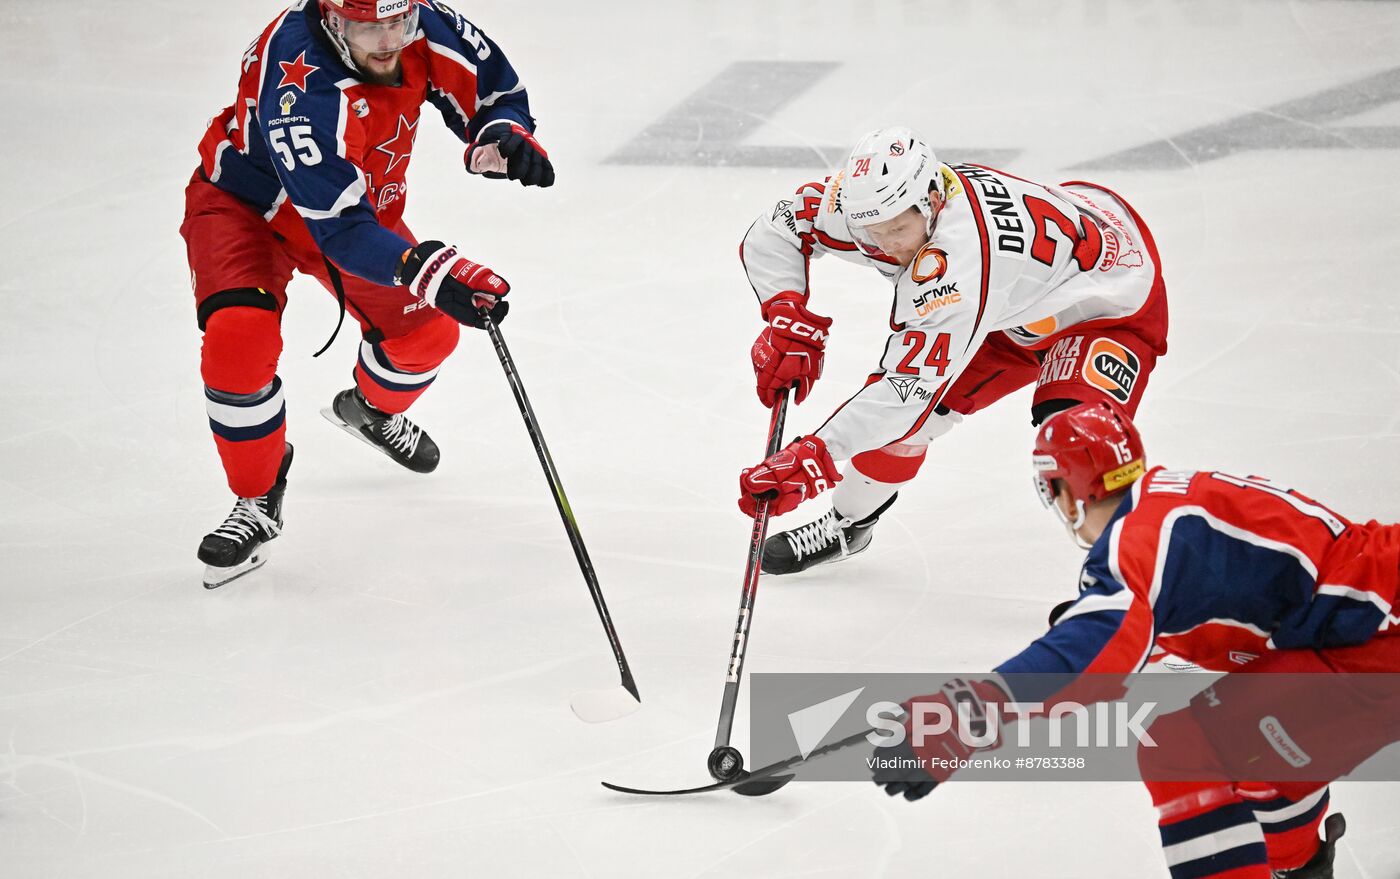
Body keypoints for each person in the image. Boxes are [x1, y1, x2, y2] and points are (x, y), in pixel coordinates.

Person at [869, 402, 1400, 878]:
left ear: (1063, 489)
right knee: (1258, 740)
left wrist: (962, 716)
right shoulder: (1163, 508)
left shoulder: (1135, 540)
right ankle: (1298, 866)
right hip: (1362, 631)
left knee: (1182, 748)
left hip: (1375, 638)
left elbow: (1094, 653)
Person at [181, 0, 554, 587]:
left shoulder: (418, 23)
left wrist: (500, 138)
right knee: (237, 345)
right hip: (247, 210)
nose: (386, 42)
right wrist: (431, 270)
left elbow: (495, 93)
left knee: (430, 333)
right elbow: (342, 233)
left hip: (349, 213)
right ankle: (257, 496)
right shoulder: (299, 88)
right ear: (332, 23)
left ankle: (371, 411)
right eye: (366, 29)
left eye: (397, 25)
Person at [736, 126, 1167, 574]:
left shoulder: (957, 264)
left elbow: (905, 391)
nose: (887, 245)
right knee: (915, 422)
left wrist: (816, 454)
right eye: (872, 232)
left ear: (932, 203)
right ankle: (849, 524)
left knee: (1083, 443)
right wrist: (785, 310)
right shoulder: (872, 202)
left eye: (898, 230)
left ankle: (1125, 577)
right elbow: (779, 227)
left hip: (1106, 299)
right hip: (1013, 301)